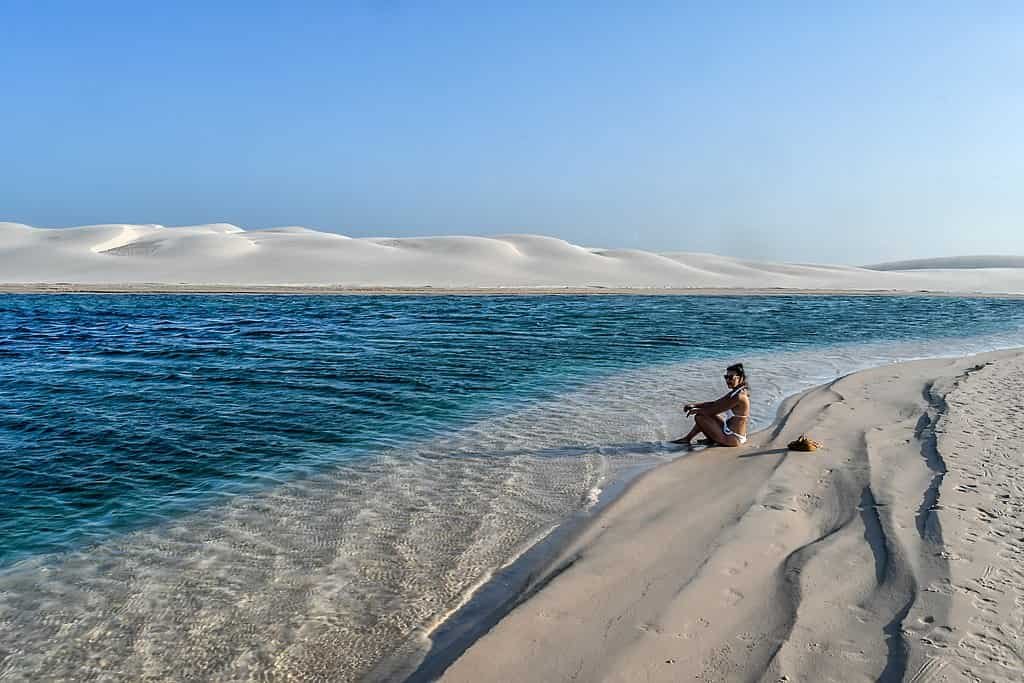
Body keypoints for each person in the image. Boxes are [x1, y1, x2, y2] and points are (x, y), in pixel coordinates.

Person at [672, 363, 750, 447]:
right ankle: (688, 439)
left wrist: (696, 410)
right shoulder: (736, 392)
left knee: (700, 416)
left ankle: (689, 439)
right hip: (731, 433)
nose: (727, 380)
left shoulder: (739, 396)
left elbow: (713, 411)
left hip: (733, 438)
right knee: (703, 415)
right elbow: (715, 403)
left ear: (740, 378)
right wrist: (694, 405)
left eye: (730, 377)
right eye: (726, 377)